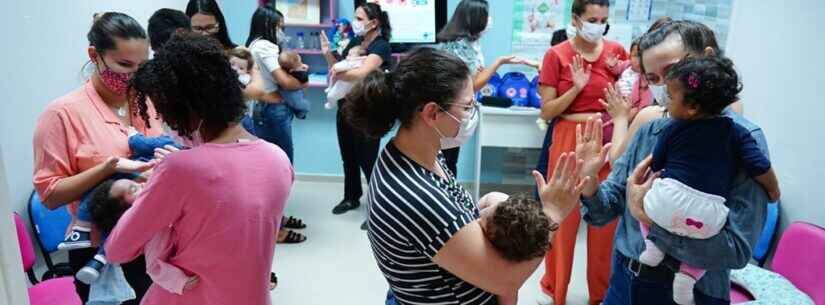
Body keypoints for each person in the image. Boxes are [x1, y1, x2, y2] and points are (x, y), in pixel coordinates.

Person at [343, 46, 587, 305]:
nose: (472, 114)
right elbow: (507, 280)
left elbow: (448, 223)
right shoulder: (419, 195)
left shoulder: (416, 152)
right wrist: (553, 213)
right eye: (468, 106)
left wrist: (483, 207)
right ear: (432, 113)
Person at [578, 20, 770, 305]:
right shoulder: (651, 130)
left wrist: (649, 220)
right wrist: (590, 184)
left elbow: (736, 249)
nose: (664, 88)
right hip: (624, 279)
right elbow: (606, 210)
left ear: (706, 59)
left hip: (693, 293)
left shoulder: (742, 141)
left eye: (671, 71)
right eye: (653, 79)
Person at [105, 32, 293, 305]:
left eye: (165, 111)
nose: (167, 121)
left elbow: (118, 249)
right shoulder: (278, 159)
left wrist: (159, 181)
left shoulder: (180, 170)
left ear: (186, 107)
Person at [32, 12, 160, 304]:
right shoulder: (62, 114)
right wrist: (107, 168)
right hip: (99, 250)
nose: (132, 75)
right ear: (95, 55)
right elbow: (50, 195)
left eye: (141, 66)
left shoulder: (146, 101)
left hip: (152, 240)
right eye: (124, 65)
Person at [637, 56, 779, 305]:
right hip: (708, 215)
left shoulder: (672, 128)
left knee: (642, 203)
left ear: (691, 107)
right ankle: (689, 275)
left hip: (667, 202)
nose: (666, 102)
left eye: (670, 96)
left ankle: (654, 247)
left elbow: (657, 164)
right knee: (701, 233)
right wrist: (774, 191)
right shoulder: (738, 133)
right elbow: (760, 167)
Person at [536, 1, 627, 304]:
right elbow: (547, 111)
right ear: (575, 19)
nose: (598, 25)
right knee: (562, 219)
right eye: (591, 19)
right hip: (568, 138)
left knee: (605, 222)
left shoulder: (617, 52)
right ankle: (555, 290)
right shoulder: (557, 55)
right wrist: (575, 89)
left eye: (603, 20)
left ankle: (601, 295)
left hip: (606, 140)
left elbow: (629, 98)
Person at [435, 0, 536, 176]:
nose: (489, 19)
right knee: (447, 165)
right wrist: (499, 62)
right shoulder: (462, 45)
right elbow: (472, 85)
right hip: (450, 111)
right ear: (474, 19)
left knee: (447, 162)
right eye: (485, 15)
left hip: (450, 110)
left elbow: (470, 76)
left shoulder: (463, 43)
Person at [319, 2, 393, 229]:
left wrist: (342, 73)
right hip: (345, 106)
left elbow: (360, 73)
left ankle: (378, 210)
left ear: (374, 22)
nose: (355, 22)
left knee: (369, 161)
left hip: (368, 109)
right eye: (356, 18)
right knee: (348, 155)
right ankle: (352, 197)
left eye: (360, 18)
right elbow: (337, 68)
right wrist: (327, 54)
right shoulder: (354, 42)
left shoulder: (381, 46)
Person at [245, 4, 309, 244]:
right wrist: (301, 79)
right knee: (279, 171)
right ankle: (275, 229)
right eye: (280, 27)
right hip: (271, 111)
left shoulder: (256, 46)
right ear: (269, 26)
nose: (282, 32)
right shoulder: (265, 46)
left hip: (268, 109)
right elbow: (288, 82)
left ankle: (277, 219)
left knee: (274, 168)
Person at [84, 178, 199, 295]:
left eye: (137, 183)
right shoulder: (154, 236)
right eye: (134, 189)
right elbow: (154, 267)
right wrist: (178, 281)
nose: (143, 184)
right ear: (126, 214)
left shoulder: (162, 200)